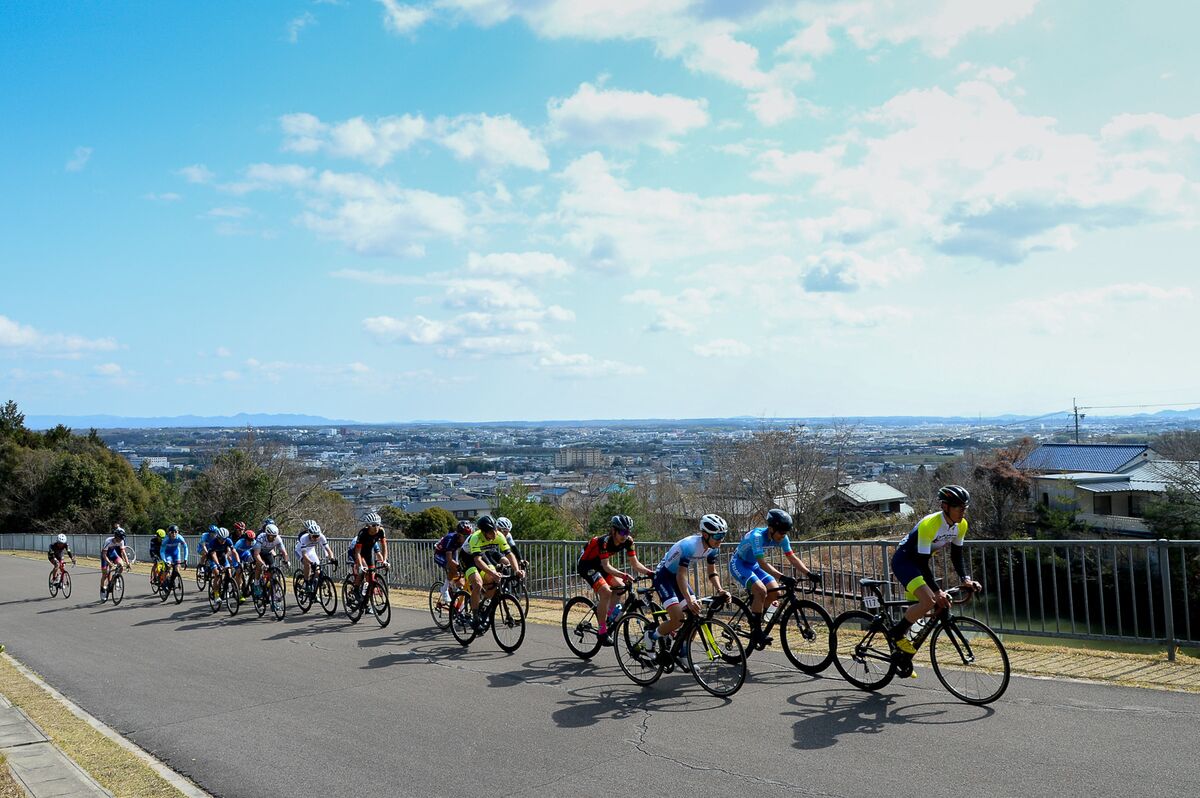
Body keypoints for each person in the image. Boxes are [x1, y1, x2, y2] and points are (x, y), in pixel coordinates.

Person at [889, 485, 983, 667]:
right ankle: (895, 634)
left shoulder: (961, 525)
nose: (963, 511)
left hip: (920, 564)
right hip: (906, 562)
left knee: (916, 617)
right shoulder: (930, 524)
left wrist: (966, 579)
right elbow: (922, 562)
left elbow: (956, 555)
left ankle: (902, 660)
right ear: (946, 507)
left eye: (965, 507)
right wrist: (937, 590)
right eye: (959, 507)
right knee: (929, 601)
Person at [641, 514, 731, 657]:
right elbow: (680, 575)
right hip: (664, 577)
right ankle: (651, 636)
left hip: (678, 577)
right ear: (705, 534)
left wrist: (720, 590)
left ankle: (682, 651)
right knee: (677, 619)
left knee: (695, 614)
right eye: (718, 536)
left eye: (723, 536)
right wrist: (689, 600)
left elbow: (712, 572)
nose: (721, 540)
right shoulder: (690, 546)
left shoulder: (714, 547)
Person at [729, 509, 820, 647]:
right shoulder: (757, 536)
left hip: (753, 565)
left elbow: (792, 558)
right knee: (760, 590)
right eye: (781, 533)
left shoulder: (782, 537)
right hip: (739, 563)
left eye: (785, 533)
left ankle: (758, 615)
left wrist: (809, 574)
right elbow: (762, 563)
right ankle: (756, 630)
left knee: (775, 593)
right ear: (771, 529)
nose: (783, 537)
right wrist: (783, 577)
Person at [576, 514, 654, 643]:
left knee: (620, 588)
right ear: (614, 530)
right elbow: (606, 566)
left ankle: (608, 616)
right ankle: (602, 631)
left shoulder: (628, 541)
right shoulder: (604, 541)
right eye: (622, 532)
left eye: (627, 532)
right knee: (606, 592)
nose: (625, 535)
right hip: (587, 565)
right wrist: (623, 575)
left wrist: (650, 573)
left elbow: (635, 563)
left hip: (600, 565)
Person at [458, 515, 525, 626]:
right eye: (490, 532)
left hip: (482, 555)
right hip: (468, 558)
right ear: (483, 532)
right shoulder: (475, 537)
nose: (494, 535)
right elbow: (477, 561)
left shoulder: (499, 536)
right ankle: (475, 617)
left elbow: (509, 554)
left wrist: (517, 570)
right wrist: (493, 573)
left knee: (494, 581)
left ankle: (483, 604)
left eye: (494, 530)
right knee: (478, 584)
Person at [351, 513, 390, 608]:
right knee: (363, 570)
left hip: (368, 552)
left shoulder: (381, 531)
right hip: (359, 553)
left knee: (372, 575)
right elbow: (358, 552)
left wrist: (384, 560)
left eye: (378, 524)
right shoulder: (363, 533)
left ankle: (367, 600)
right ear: (368, 525)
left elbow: (384, 546)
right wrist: (360, 566)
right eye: (373, 525)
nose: (376, 527)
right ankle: (356, 589)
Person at [434, 521, 472, 607]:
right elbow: (449, 560)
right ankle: (444, 589)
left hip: (452, 552)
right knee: (452, 567)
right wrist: (458, 567)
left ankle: (457, 597)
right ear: (459, 535)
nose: (467, 538)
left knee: (460, 580)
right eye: (465, 536)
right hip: (440, 554)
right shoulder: (450, 539)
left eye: (468, 536)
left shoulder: (466, 540)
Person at [295, 520, 334, 588]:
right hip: (300, 551)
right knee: (308, 565)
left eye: (317, 536)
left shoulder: (321, 537)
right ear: (310, 534)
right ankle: (306, 583)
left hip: (310, 550)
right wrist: (311, 562)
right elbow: (304, 554)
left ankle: (312, 584)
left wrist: (332, 558)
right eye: (314, 536)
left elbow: (328, 549)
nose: (316, 538)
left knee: (318, 571)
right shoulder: (304, 538)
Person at [100, 525, 133, 602]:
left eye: (122, 538)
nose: (121, 540)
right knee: (105, 574)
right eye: (120, 538)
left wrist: (127, 563)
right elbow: (104, 554)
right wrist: (109, 563)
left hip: (112, 553)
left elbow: (123, 552)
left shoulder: (121, 541)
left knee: (121, 565)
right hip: (105, 555)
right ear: (116, 536)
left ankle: (116, 578)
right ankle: (102, 589)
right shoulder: (108, 541)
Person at [253, 522, 290, 587]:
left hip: (267, 553)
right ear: (267, 534)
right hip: (259, 553)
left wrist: (286, 561)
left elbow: (284, 553)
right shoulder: (261, 537)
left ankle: (269, 585)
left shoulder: (278, 539)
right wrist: (262, 564)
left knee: (272, 567)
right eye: (271, 536)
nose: (273, 538)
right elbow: (256, 554)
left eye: (275, 536)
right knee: (259, 566)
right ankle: (256, 584)